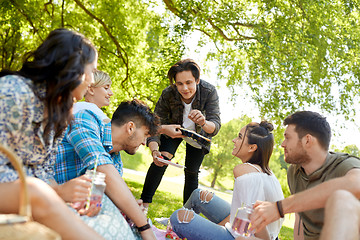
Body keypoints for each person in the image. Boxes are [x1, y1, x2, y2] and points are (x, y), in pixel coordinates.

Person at [0, 28, 103, 239]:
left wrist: (65, 192)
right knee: (37, 192)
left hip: (22, 197)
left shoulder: (60, 114)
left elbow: (45, 172)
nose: (92, 80)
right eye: (91, 71)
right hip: (15, 191)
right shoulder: (13, 92)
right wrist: (53, 194)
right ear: (73, 68)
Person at [55, 99, 159, 240]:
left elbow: (106, 195)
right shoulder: (86, 120)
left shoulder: (116, 161)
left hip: (78, 209)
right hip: (47, 195)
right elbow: (101, 166)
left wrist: (129, 206)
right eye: (145, 135)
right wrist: (144, 226)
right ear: (130, 128)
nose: (144, 142)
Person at [249, 111, 360, 240]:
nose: (282, 144)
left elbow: (356, 185)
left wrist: (279, 208)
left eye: (288, 137)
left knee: (342, 198)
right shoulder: (294, 172)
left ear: (307, 140)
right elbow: (300, 221)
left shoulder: (345, 165)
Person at [169, 121, 284, 240]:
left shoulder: (244, 171)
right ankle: (171, 231)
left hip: (244, 237)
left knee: (178, 218)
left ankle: (171, 231)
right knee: (198, 195)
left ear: (252, 147)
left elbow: (254, 224)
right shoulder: (268, 173)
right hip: (248, 229)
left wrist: (209, 231)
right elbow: (242, 214)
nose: (234, 140)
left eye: (239, 137)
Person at [141, 58, 221, 206]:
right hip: (173, 129)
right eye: (179, 84)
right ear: (174, 83)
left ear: (197, 80)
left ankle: (187, 216)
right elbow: (155, 125)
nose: (184, 88)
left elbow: (215, 126)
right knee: (161, 159)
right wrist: (154, 151)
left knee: (192, 172)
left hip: (199, 135)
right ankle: (143, 205)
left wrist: (203, 122)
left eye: (189, 82)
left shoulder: (209, 92)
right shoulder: (168, 94)